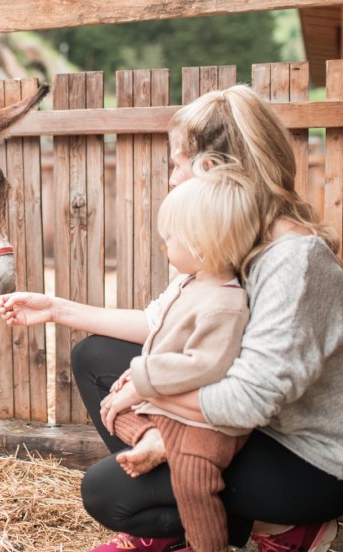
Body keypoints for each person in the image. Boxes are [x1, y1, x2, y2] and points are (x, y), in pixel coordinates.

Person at [0, 85, 343, 552]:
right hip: (240, 434)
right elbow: (159, 321)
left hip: (308, 462)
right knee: (94, 355)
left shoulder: (294, 262)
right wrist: (56, 309)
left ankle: (285, 527)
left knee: (109, 493)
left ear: (209, 170)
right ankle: (181, 507)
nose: (172, 180)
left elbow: (248, 403)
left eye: (176, 164)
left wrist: (148, 390)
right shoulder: (231, 238)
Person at [102, 163, 258, 552]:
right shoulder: (190, 283)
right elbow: (160, 336)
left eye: (170, 237)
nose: (163, 245)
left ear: (201, 246)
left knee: (193, 483)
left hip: (203, 427)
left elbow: (204, 366)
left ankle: (206, 546)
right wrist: (134, 379)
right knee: (114, 409)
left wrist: (142, 377)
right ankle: (152, 439)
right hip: (168, 409)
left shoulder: (225, 302)